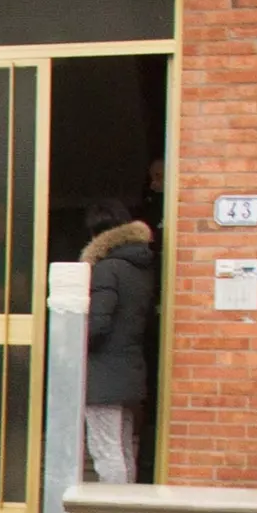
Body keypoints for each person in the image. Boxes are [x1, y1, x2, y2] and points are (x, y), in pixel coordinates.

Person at [79, 197, 157, 484]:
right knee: (123, 449)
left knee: (105, 449)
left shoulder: (106, 269)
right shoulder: (140, 268)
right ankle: (126, 508)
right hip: (129, 371)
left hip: (103, 376)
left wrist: (74, 343)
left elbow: (98, 324)